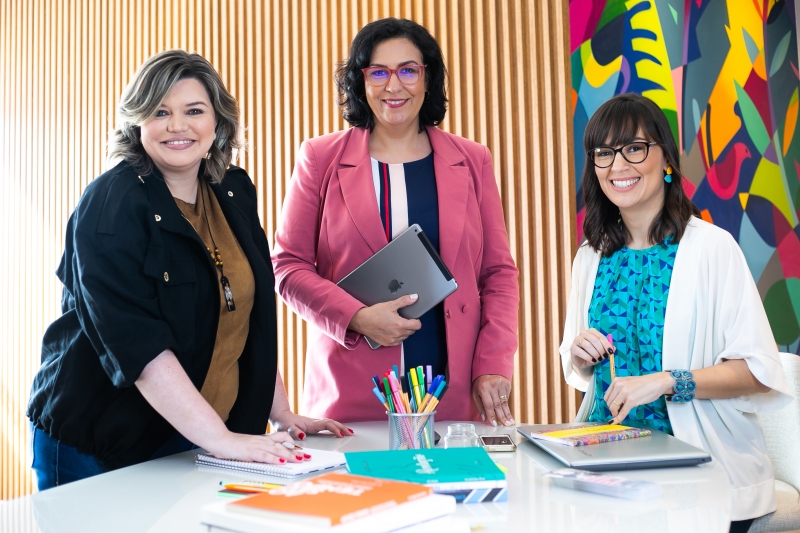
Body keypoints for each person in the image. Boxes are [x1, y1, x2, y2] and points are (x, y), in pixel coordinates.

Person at [27, 50, 349, 491]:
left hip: (192, 435)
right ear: (136, 121)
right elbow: (139, 347)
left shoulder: (232, 189)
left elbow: (245, 314)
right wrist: (221, 439)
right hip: (100, 438)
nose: (178, 126)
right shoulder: (110, 204)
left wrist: (281, 412)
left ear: (217, 121)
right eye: (160, 112)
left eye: (194, 111)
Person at [560, 93, 792, 532]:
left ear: (665, 157)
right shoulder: (590, 257)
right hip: (608, 461)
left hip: (702, 469)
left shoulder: (711, 248)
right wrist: (579, 354)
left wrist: (669, 382)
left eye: (634, 148)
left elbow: (760, 371)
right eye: (603, 154)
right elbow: (579, 370)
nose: (617, 166)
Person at [272, 18, 519, 425]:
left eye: (408, 70)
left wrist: (493, 363)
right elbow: (288, 267)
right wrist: (355, 317)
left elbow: (498, 274)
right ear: (360, 80)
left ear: (428, 78)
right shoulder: (319, 158)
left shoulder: (473, 160)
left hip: (453, 390)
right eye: (379, 72)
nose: (394, 86)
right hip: (351, 387)